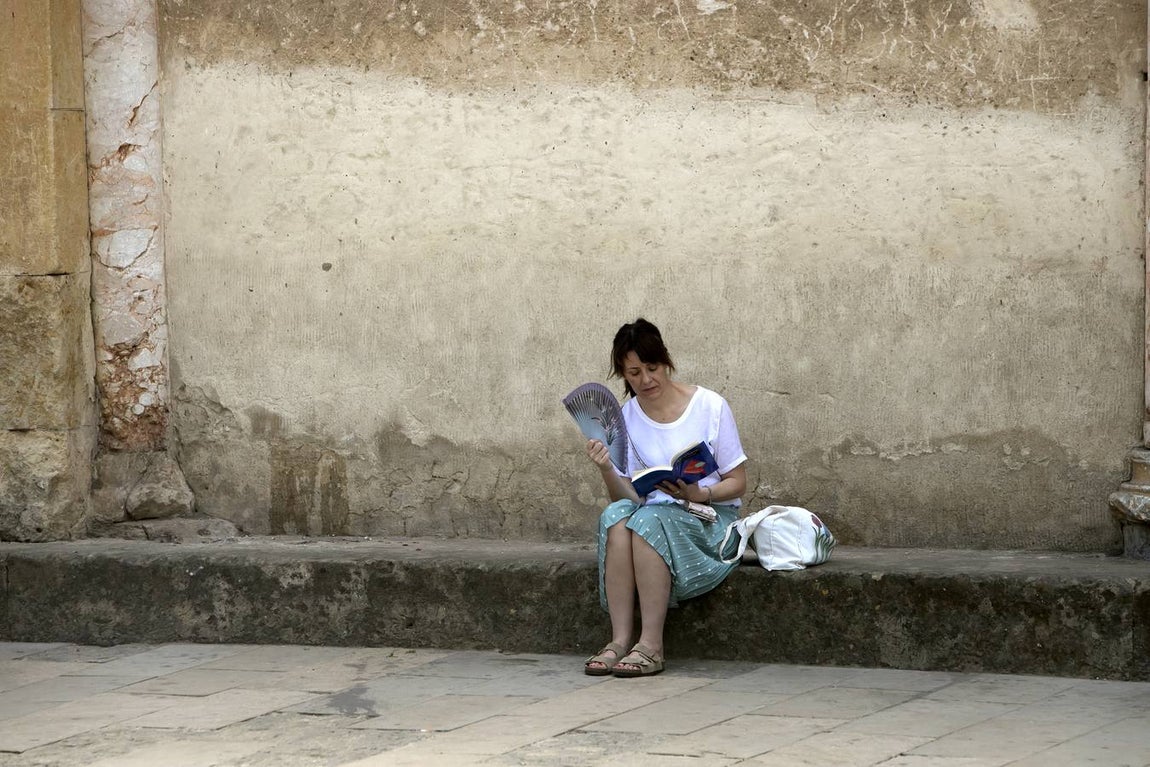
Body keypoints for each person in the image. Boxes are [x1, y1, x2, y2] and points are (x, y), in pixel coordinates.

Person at [582, 318, 748, 677]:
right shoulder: (624, 419)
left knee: (646, 520)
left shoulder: (710, 406)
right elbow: (624, 497)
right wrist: (607, 468)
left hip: (707, 519)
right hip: (654, 515)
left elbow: (738, 482)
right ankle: (620, 639)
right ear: (623, 375)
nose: (646, 380)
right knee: (616, 517)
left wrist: (701, 493)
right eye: (634, 373)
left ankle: (652, 645)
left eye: (652, 368)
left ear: (666, 361)